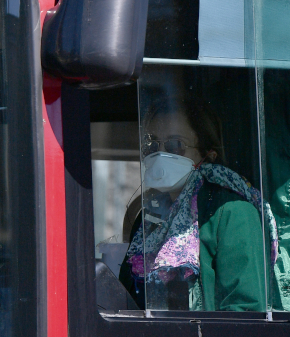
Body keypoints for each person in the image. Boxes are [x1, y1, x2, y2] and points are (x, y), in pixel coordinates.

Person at [119, 98, 278, 312]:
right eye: (152, 144)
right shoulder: (147, 217)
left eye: (175, 145)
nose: (160, 154)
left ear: (207, 154)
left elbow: (245, 312)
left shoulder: (232, 212)